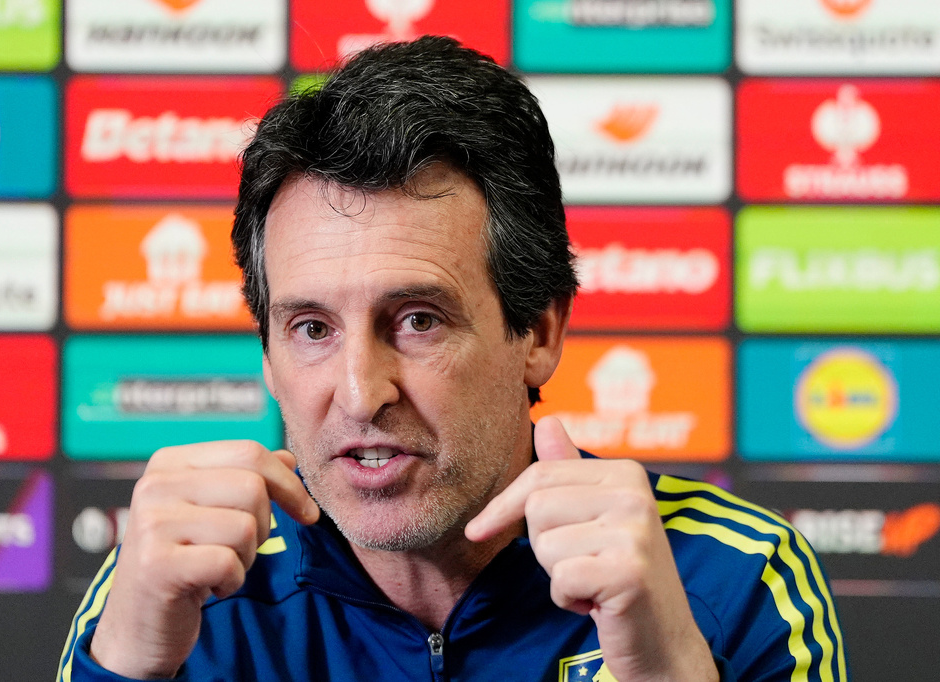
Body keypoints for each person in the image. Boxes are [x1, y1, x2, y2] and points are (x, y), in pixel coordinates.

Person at [58, 37, 845, 682]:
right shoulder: (182, 588)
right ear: (266, 354)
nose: (362, 395)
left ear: (536, 334)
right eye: (311, 329)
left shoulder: (734, 579)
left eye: (418, 320)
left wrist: (667, 667)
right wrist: (125, 665)